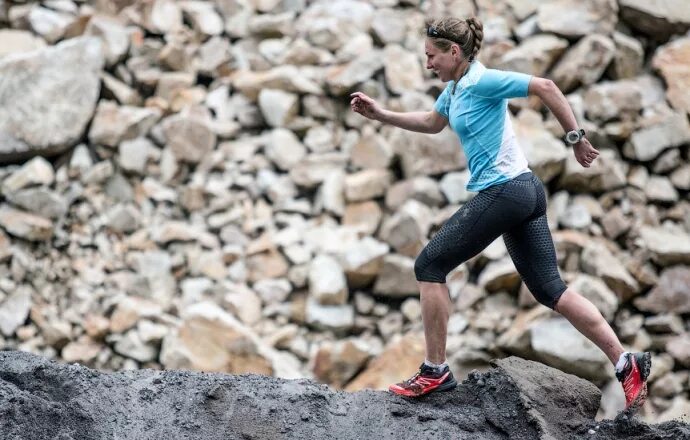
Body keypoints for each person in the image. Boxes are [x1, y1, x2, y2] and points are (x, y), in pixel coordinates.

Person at [350, 16, 651, 411]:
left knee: (429, 264)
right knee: (550, 290)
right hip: (526, 190)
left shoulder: (481, 80)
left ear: (454, 52)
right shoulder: (455, 89)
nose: (427, 64)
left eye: (431, 56)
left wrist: (576, 140)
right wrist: (381, 115)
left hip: (506, 191)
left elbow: (545, 86)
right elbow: (432, 122)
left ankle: (434, 370)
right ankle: (626, 362)